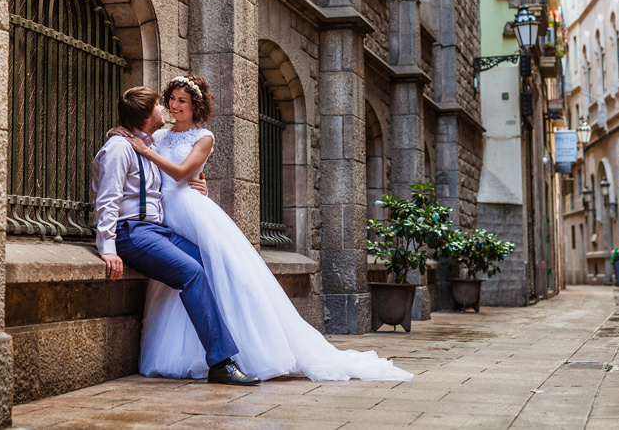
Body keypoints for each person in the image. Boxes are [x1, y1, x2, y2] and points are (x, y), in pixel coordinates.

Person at [112, 75, 413, 382]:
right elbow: (134, 141)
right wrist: (121, 135)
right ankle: (185, 353)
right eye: (172, 99)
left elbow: (180, 172)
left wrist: (172, 167)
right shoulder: (159, 136)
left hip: (189, 212)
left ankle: (239, 351)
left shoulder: (203, 137)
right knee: (180, 277)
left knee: (219, 271)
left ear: (195, 106)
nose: (175, 106)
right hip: (162, 216)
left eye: (183, 101)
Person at [91, 86, 260, 385]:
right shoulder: (119, 148)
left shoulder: (146, 143)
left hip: (157, 230)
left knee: (208, 263)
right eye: (159, 104)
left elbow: (175, 176)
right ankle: (221, 363)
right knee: (192, 273)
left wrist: (200, 184)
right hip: (132, 233)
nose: (165, 108)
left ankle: (217, 348)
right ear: (146, 115)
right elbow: (107, 199)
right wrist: (108, 247)